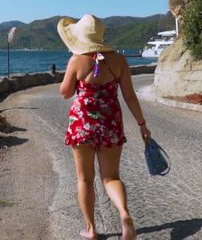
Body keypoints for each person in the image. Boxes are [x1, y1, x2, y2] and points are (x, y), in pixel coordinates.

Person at [57, 14, 151, 240]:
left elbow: (65, 92)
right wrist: (142, 123)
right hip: (110, 124)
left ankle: (91, 230)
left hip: (82, 126)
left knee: (85, 179)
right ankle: (124, 213)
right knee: (111, 178)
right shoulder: (119, 60)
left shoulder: (77, 60)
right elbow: (129, 96)